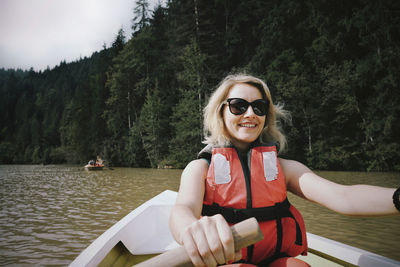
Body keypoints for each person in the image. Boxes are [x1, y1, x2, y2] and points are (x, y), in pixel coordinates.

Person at [169, 74, 399, 267]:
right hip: (227, 261)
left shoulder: (284, 168)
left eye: (258, 107)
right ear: (221, 112)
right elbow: (182, 210)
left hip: (274, 258)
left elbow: (343, 197)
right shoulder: (200, 168)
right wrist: (193, 230)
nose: (250, 114)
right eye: (238, 106)